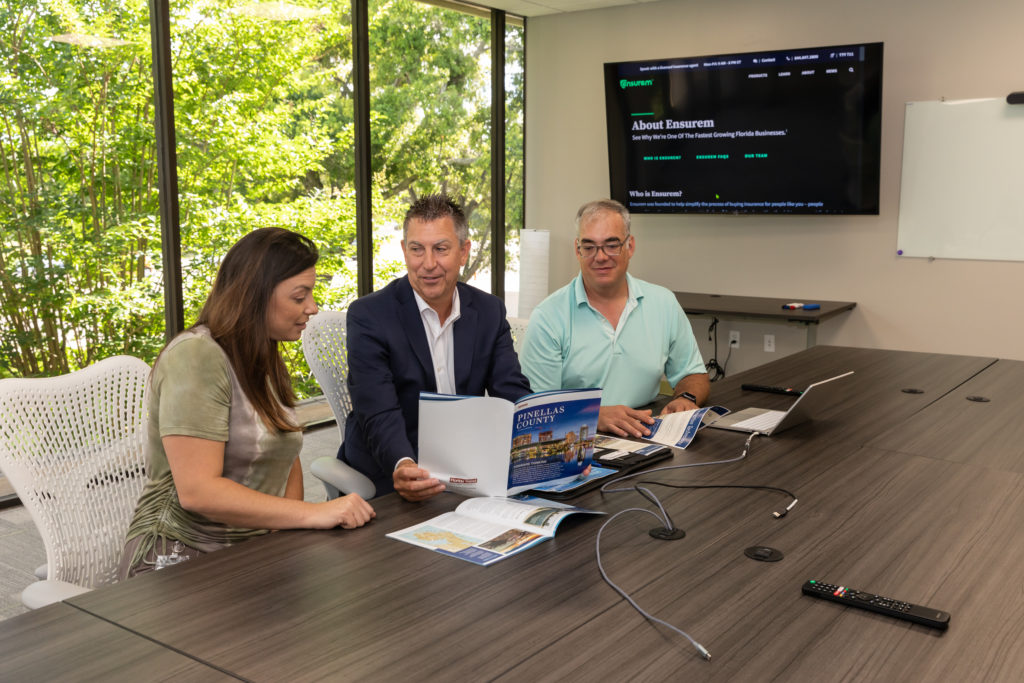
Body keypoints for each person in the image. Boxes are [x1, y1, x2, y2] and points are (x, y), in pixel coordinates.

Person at [119, 228, 375, 578]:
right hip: (178, 555)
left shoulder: (262, 357)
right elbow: (198, 492)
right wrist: (313, 514)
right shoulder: (196, 357)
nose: (312, 308)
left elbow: (286, 454)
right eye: (299, 297)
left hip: (247, 550)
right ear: (254, 296)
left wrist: (289, 533)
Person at [339, 194, 531, 501]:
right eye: (417, 249)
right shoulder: (369, 316)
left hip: (467, 469)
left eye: (441, 249)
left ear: (463, 251)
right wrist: (402, 465)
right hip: (388, 472)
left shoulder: (489, 311)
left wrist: (546, 446)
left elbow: (511, 392)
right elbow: (378, 412)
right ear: (404, 251)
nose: (428, 264)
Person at [519, 199, 710, 438]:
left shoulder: (663, 303)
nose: (600, 257)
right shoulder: (548, 317)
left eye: (611, 245)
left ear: (630, 246)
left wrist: (686, 398)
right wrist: (594, 415)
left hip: (646, 432)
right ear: (577, 250)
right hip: (577, 440)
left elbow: (694, 374)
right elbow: (534, 410)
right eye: (589, 247)